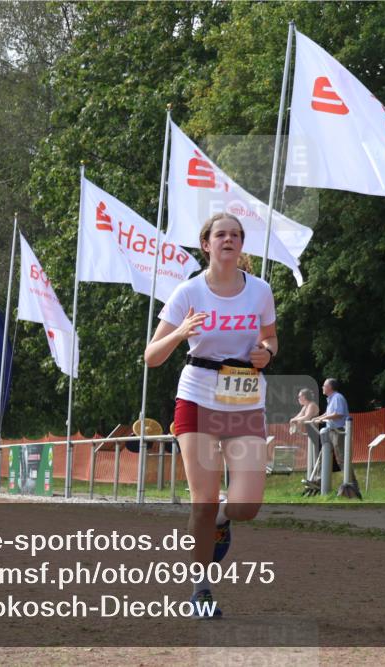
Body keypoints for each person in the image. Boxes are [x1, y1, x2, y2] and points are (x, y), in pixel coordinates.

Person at [145, 212, 277, 619]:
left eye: (236, 235)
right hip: (198, 397)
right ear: (206, 244)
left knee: (247, 505)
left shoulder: (260, 290)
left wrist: (266, 352)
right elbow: (152, 357)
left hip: (244, 400)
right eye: (221, 234)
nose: (229, 240)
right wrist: (181, 332)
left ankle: (224, 516)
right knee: (202, 500)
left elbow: (270, 337)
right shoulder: (188, 292)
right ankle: (201, 589)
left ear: (241, 245)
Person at [311, 378, 358, 489]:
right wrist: (317, 418)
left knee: (342, 457)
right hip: (330, 431)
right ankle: (318, 481)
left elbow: (339, 414)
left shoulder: (337, 397)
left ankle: (352, 484)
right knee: (323, 456)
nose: (322, 387)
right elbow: (329, 413)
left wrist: (322, 419)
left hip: (338, 431)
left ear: (330, 387)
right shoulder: (331, 399)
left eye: (324, 385)